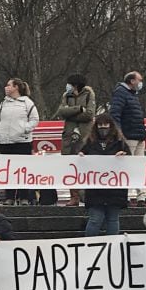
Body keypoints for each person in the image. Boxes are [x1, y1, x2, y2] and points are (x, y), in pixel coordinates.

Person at [78, 114, 129, 236]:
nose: (103, 127)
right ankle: (89, 246)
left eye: (106, 124)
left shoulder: (120, 143)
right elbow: (80, 160)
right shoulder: (89, 144)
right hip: (96, 190)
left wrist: (124, 156)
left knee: (113, 219)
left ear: (111, 126)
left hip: (115, 189)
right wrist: (80, 157)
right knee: (95, 219)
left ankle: (112, 246)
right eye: (100, 125)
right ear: (96, 126)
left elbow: (130, 162)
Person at [0, 78, 39, 205]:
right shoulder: (3, 103)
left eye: (8, 85)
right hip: (5, 142)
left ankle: (24, 197)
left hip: (22, 142)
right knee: (8, 170)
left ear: (16, 87)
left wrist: (24, 129)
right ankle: (9, 197)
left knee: (22, 169)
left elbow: (35, 119)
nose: (6, 87)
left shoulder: (27, 103)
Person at [55, 74, 96, 206]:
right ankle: (74, 196)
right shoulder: (66, 95)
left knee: (84, 165)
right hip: (69, 135)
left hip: (84, 134)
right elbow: (61, 112)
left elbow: (89, 114)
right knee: (69, 165)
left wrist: (71, 114)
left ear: (76, 85)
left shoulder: (89, 94)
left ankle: (87, 195)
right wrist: (78, 109)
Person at [109, 71, 146, 155]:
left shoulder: (133, 94)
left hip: (138, 136)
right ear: (132, 81)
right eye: (139, 80)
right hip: (128, 136)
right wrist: (119, 133)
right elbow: (115, 114)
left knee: (139, 164)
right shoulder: (121, 92)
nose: (141, 83)